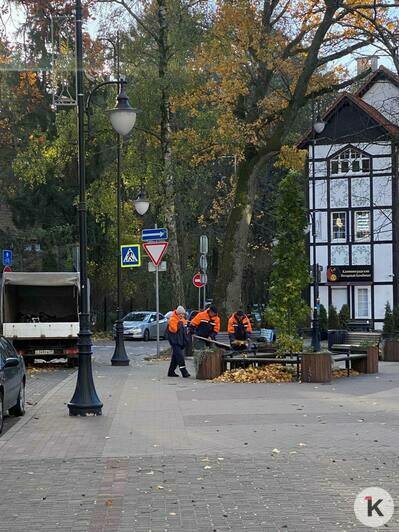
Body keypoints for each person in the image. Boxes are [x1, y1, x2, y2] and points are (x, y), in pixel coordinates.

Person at [167, 305, 190, 378]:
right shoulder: (172, 319)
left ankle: (171, 372)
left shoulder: (183, 320)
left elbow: (185, 330)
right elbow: (174, 330)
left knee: (175, 357)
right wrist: (180, 323)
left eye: (183, 314)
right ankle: (184, 372)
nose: (182, 315)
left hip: (180, 341)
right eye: (180, 314)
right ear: (177, 313)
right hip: (174, 341)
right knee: (180, 356)